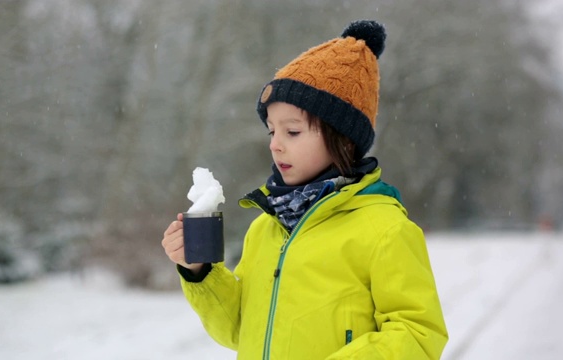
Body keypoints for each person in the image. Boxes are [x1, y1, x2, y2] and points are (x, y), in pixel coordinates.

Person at [161, 19, 448, 359]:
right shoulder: (266, 228)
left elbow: (418, 333)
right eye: (272, 132)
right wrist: (201, 270)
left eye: (292, 132)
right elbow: (240, 329)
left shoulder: (385, 230)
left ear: (342, 138)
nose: (275, 145)